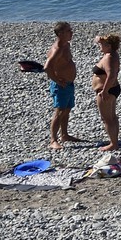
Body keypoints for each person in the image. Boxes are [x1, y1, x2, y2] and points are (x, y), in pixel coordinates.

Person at [45, 21, 80, 150]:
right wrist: (57, 81)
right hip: (61, 86)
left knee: (67, 109)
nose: (71, 33)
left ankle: (64, 135)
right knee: (59, 111)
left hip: (69, 84)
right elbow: (47, 67)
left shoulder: (66, 45)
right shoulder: (57, 49)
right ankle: (53, 140)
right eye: (68, 31)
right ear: (60, 33)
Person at [90, 33, 121, 152]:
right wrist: (100, 39)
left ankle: (113, 144)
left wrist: (104, 91)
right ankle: (115, 141)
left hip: (106, 90)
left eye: (102, 44)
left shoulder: (108, 57)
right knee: (112, 117)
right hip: (112, 88)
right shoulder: (113, 54)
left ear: (108, 46)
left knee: (107, 118)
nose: (99, 46)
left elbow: (111, 75)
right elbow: (97, 39)